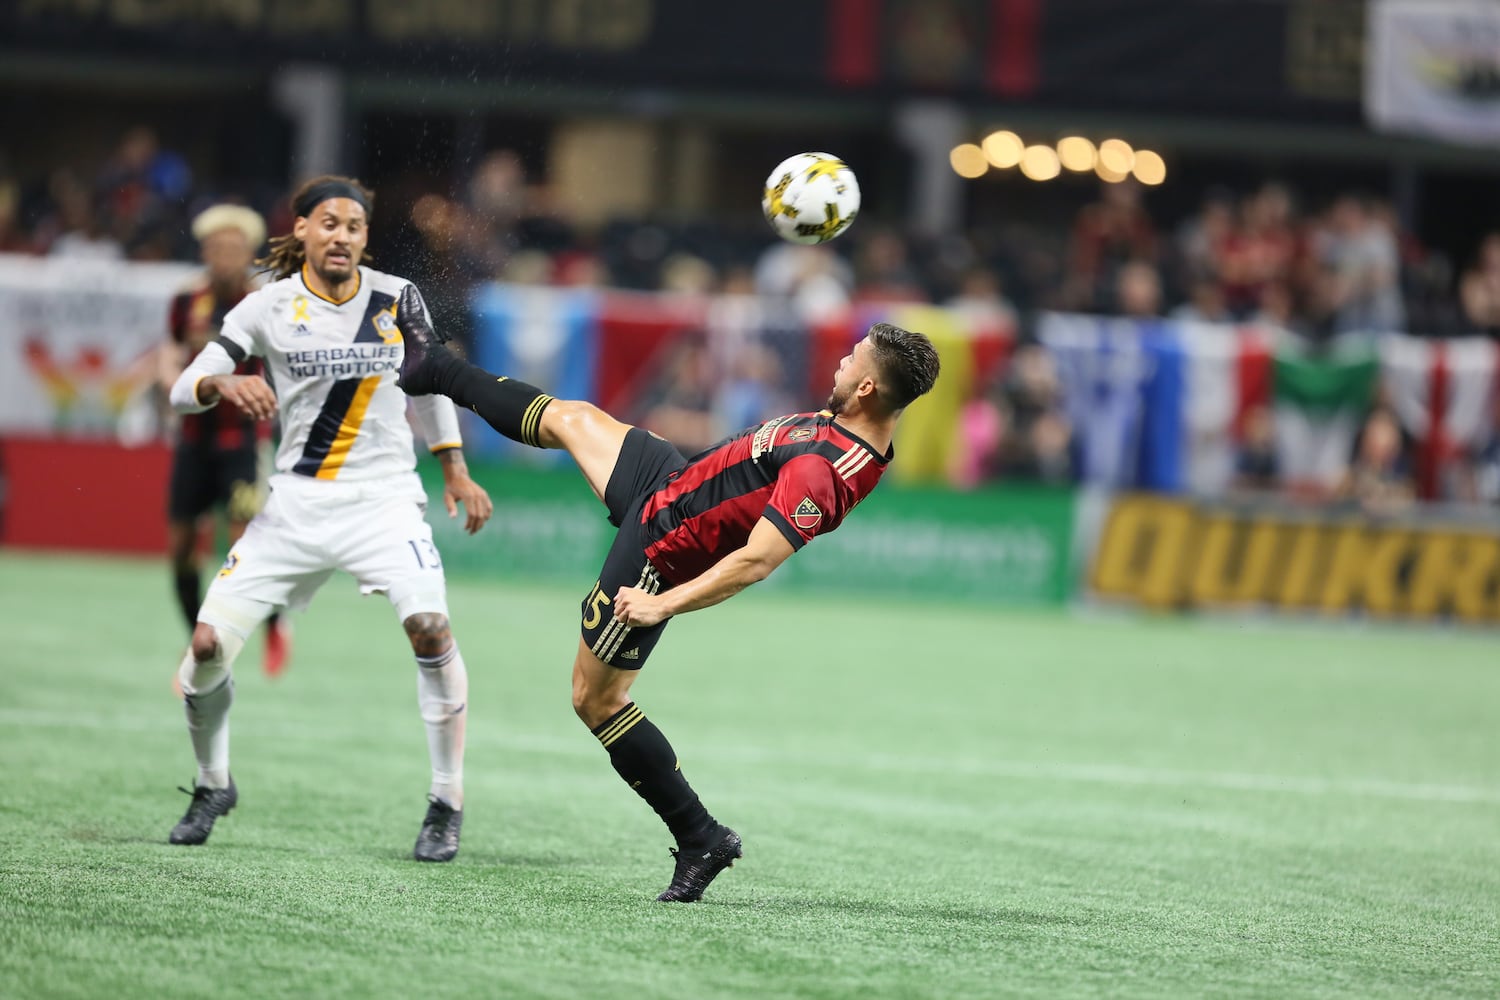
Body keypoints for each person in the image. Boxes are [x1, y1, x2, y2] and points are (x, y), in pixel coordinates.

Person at [397, 316, 940, 901]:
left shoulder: (823, 471)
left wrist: (660, 604)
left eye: (852, 358)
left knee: (595, 699)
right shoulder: (850, 423)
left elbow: (757, 561)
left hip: (662, 549)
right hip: (671, 482)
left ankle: (701, 837)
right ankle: (431, 365)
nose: (840, 363)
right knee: (572, 418)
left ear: (867, 390)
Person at [165, 176, 494, 862]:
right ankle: (211, 782)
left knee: (431, 630)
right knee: (203, 650)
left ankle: (446, 802)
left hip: (384, 500)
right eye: (328, 223)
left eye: (354, 225)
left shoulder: (398, 296)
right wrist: (222, 380)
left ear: (364, 238)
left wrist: (454, 466)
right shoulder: (266, 307)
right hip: (294, 505)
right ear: (304, 232)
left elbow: (428, 381)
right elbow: (179, 389)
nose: (341, 234)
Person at [158, 204, 293, 676]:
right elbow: (172, 353)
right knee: (179, 546)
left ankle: (271, 626)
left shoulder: (263, 303)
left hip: (241, 443)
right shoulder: (185, 302)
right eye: (217, 248)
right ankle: (194, 633)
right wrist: (170, 381)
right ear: (205, 251)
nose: (225, 256)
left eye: (235, 249)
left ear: (249, 253)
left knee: (241, 545)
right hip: (193, 440)